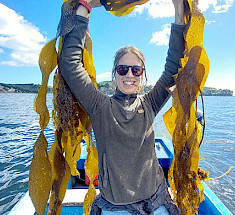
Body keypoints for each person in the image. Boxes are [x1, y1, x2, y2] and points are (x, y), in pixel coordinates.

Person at [59, 0, 185, 214]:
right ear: (114, 73)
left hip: (157, 201)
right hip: (116, 207)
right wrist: (84, 7)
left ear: (143, 74)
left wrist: (178, 8)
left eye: (136, 70)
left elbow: (173, 65)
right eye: (123, 69)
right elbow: (70, 63)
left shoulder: (150, 103)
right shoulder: (99, 105)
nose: (129, 75)